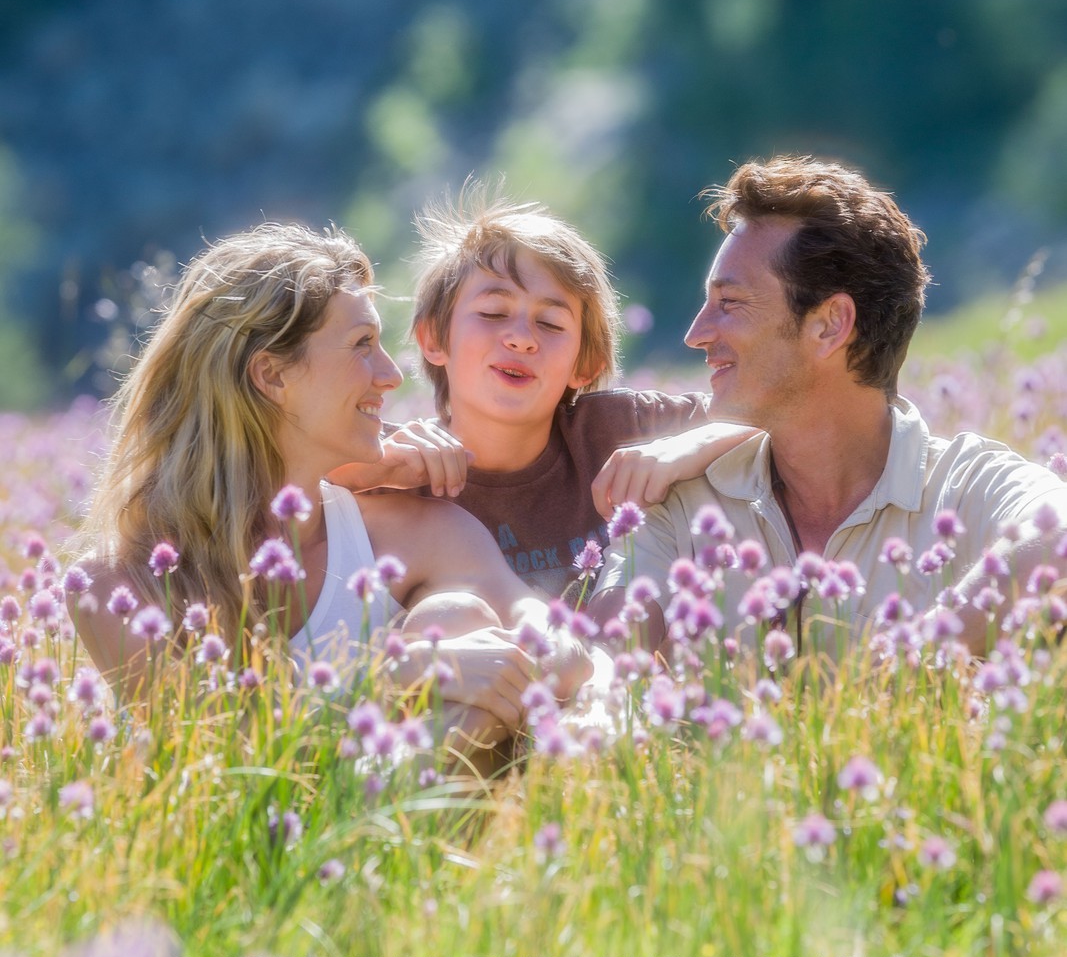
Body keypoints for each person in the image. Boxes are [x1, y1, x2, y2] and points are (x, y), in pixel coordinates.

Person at [67, 223, 593, 763]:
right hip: (250, 841)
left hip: (391, 804)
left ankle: (388, 845)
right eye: (363, 345)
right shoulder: (118, 582)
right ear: (272, 376)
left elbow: (565, 655)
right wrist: (402, 675)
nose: (390, 376)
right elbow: (223, 759)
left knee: (458, 618)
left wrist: (528, 646)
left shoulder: (423, 534)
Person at [590, 156, 1067, 654]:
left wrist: (910, 667)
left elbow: (1060, 536)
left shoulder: (967, 486)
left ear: (830, 325)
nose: (695, 334)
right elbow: (603, 665)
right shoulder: (682, 503)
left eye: (729, 303)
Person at [330, 187, 756, 601]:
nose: (521, 339)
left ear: (584, 364)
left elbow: (774, 414)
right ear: (433, 339)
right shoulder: (394, 463)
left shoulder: (626, 430)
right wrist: (362, 475)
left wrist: (686, 445)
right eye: (494, 313)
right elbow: (275, 493)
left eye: (551, 324)